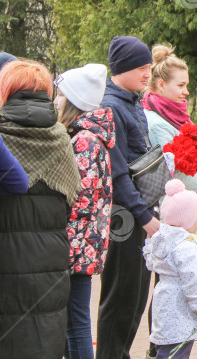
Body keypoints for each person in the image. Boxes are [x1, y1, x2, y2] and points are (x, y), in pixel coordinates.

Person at [0, 60, 82, 357]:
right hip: (50, 265)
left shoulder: (2, 138)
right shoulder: (61, 139)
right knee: (42, 340)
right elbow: (72, 201)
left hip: (6, 264)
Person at [97, 36, 161, 359]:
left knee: (135, 300)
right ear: (121, 68)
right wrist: (145, 216)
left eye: (149, 67)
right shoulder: (112, 107)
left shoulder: (132, 102)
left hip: (140, 211)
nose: (147, 73)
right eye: (141, 67)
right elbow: (118, 172)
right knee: (121, 299)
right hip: (125, 218)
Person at [55, 63, 116, 359]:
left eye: (60, 96)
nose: (56, 101)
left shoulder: (83, 141)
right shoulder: (89, 137)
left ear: (73, 101)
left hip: (77, 244)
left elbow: (79, 199)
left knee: (76, 320)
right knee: (72, 319)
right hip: (85, 243)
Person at [143, 45, 197, 261]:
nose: (186, 91)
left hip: (186, 213)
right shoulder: (158, 124)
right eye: (181, 85)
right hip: (175, 216)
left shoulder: (173, 116)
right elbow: (174, 175)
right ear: (161, 85)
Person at [144, 180, 197, 359]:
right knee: (177, 352)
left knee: (165, 349)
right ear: (186, 220)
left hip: (162, 302)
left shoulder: (160, 240)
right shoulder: (187, 247)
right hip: (179, 309)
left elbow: (150, 263)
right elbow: (192, 284)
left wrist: (149, 242)